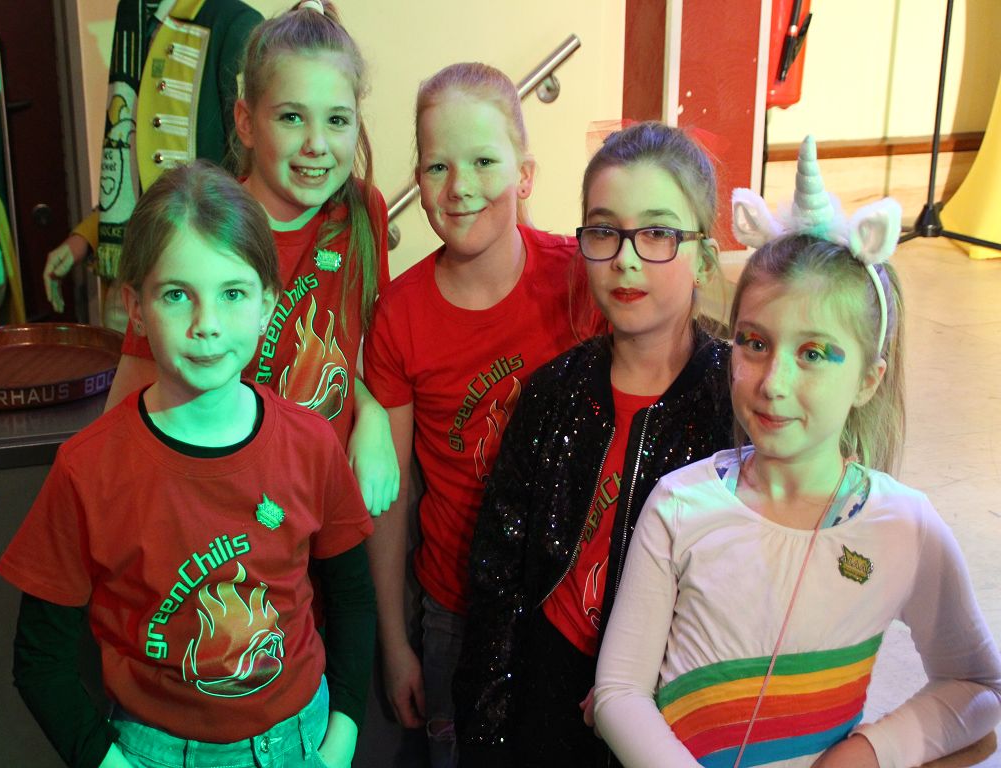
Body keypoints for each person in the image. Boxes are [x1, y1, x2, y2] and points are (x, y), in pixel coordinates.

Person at [594, 136, 1001, 768]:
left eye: (813, 353)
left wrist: (871, 751)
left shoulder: (905, 527)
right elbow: (619, 693)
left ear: (868, 380)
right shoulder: (679, 506)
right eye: (755, 343)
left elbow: (979, 687)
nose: (774, 382)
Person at [0, 161, 376, 768]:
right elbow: (40, 659)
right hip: (154, 750)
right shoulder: (87, 469)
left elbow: (352, 596)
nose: (207, 326)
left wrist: (342, 736)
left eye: (233, 294)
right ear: (136, 307)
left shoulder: (310, 444)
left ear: (266, 305)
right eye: (177, 295)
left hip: (303, 741)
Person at [450, 121, 734, 767]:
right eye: (605, 232)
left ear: (705, 258)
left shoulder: (735, 402)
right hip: (549, 687)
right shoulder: (553, 392)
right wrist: (487, 730)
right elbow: (498, 578)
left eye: (657, 233)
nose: (626, 259)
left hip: (670, 708)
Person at [362, 62, 604, 766]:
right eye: (437, 166)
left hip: (571, 605)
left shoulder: (580, 279)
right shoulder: (401, 314)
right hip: (454, 612)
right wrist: (394, 641)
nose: (459, 187)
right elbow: (390, 498)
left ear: (524, 175)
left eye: (483, 162)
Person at [104, 0, 397, 517]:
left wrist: (371, 412)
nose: (316, 144)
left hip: (320, 502)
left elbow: (344, 354)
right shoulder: (199, 230)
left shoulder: (361, 212)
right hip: (224, 512)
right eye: (291, 117)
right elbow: (130, 405)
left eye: (336, 120)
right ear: (245, 121)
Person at [42, 0, 262, 330]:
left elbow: (246, 172)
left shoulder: (233, 23)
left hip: (197, 283)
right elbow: (135, 160)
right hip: (134, 269)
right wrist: (86, 237)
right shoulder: (134, 23)